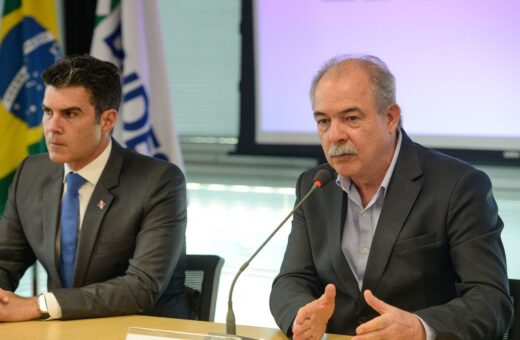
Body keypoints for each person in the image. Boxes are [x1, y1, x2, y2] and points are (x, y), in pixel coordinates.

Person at [269, 54, 513, 340]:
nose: (335, 135)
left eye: (351, 118)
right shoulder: (314, 186)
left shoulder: (459, 186)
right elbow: (291, 280)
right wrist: (301, 314)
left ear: (390, 117)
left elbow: (491, 301)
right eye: (324, 121)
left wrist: (420, 328)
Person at [0, 55, 190, 321]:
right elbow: (5, 259)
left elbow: (141, 287)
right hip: (64, 331)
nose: (53, 127)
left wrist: (40, 305)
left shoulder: (159, 182)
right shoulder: (31, 174)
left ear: (108, 120)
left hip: (141, 330)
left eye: (70, 114)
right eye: (47, 112)